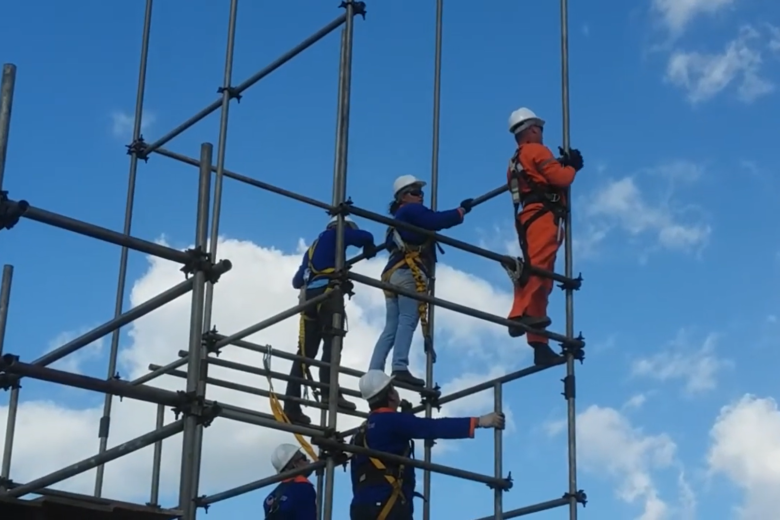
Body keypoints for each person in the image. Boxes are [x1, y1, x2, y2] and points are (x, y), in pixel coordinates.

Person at [348, 370, 505, 520]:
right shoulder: (392, 420)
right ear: (391, 395)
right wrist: (478, 421)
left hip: (360, 507)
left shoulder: (359, 432)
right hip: (386, 503)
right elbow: (432, 427)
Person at [368, 175, 473, 387]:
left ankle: (374, 372)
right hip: (408, 272)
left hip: (393, 273)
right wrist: (461, 211)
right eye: (415, 193)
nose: (421, 197)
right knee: (407, 319)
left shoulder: (398, 218)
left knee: (391, 326)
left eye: (421, 192)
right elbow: (435, 221)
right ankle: (399, 367)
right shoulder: (410, 210)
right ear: (403, 197)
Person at [504, 107, 584, 366]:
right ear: (532, 129)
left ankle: (539, 345)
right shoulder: (536, 151)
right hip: (542, 216)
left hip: (528, 216)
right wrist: (571, 167)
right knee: (539, 270)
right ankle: (521, 314)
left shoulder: (514, 161)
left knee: (543, 278)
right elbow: (559, 178)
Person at [285, 215, 376, 425]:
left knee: (305, 355)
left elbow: (297, 281)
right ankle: (329, 392)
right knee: (332, 344)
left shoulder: (312, 250)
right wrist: (369, 245)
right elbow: (365, 236)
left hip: (309, 298)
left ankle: (291, 406)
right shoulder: (337, 234)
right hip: (328, 295)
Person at [264, 443, 316, 519]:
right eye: (304, 458)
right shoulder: (303, 488)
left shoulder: (269, 498)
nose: (309, 460)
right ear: (295, 464)